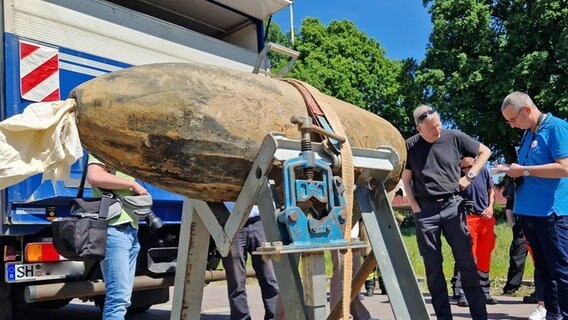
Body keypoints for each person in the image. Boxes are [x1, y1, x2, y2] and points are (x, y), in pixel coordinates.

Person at [402, 104, 490, 320]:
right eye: (432, 128)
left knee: (467, 264)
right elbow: (406, 179)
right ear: (419, 128)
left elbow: (485, 151)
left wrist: (468, 177)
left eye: (439, 124)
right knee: (433, 269)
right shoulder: (410, 146)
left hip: (453, 206)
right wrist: (413, 205)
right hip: (426, 211)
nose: (437, 130)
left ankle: (480, 316)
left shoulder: (454, 137)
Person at [499, 91, 568, 319]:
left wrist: (525, 170)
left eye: (512, 119)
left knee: (561, 270)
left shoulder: (556, 127)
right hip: (528, 213)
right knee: (544, 270)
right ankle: (552, 314)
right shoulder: (528, 133)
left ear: (527, 110)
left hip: (551, 214)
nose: (511, 125)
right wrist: (512, 170)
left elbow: (565, 168)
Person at [86, 155, 148, 320]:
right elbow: (94, 176)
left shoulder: (122, 153)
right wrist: (133, 184)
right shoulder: (102, 148)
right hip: (114, 230)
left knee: (123, 298)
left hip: (130, 230)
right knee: (117, 299)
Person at [222, 202, 279, 320]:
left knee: (270, 278)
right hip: (231, 222)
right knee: (236, 282)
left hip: (260, 221)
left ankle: (274, 317)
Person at [454, 157, 498, 307]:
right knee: (467, 256)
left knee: (484, 254)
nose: (466, 170)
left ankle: (484, 291)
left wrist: (491, 207)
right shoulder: (455, 173)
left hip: (486, 218)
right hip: (467, 218)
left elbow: (491, 191)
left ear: (476, 161)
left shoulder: (483, 171)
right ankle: (462, 292)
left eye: (469, 166)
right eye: (463, 168)